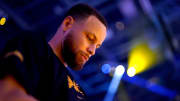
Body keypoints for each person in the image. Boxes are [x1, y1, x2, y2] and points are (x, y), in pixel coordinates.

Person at [0, 3, 107, 101]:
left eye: (97, 46)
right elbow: (7, 94)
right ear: (67, 24)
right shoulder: (34, 46)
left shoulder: (80, 93)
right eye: (90, 38)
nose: (92, 51)